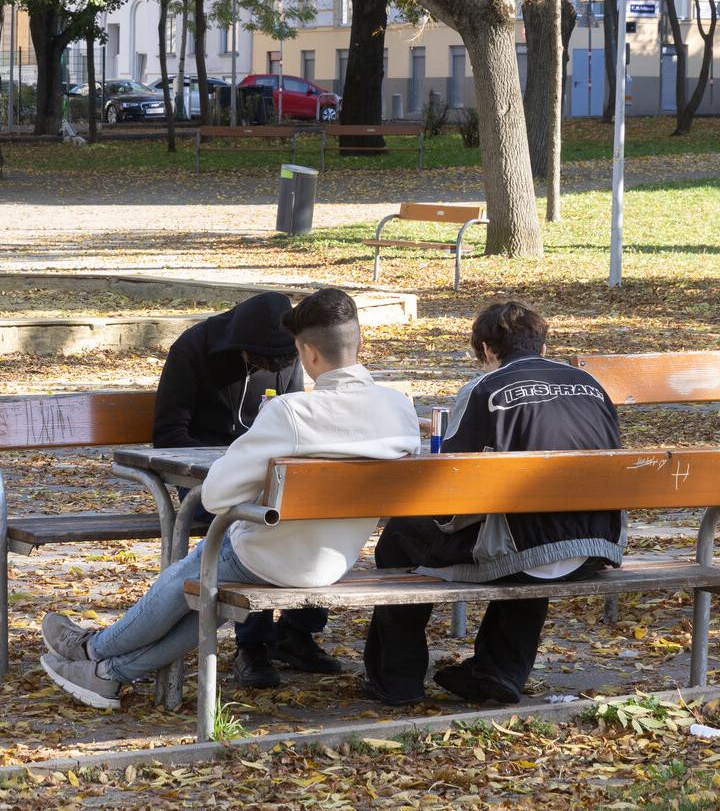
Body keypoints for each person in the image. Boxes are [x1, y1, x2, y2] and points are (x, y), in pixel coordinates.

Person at [39, 288, 421, 711]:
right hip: (335, 560)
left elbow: (218, 494)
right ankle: (105, 674)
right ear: (360, 344)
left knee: (198, 570)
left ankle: (94, 651)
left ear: (308, 353)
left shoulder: (292, 414)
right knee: (208, 589)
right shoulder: (400, 410)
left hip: (270, 556)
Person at [363, 300, 624, 707]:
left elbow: (449, 486)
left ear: (487, 348)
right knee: (537, 537)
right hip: (595, 545)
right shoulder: (591, 385)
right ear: (540, 341)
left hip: (528, 548)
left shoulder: (485, 388)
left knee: (400, 537)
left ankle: (397, 678)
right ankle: (498, 670)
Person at [153, 290, 332, 688]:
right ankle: (253, 646)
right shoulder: (194, 349)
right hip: (205, 481)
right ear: (240, 345)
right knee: (251, 526)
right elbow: (167, 435)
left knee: (317, 514)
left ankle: (297, 632)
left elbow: (294, 424)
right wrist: (235, 462)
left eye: (281, 361)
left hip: (264, 478)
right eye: (261, 360)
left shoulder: (285, 354)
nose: (271, 367)